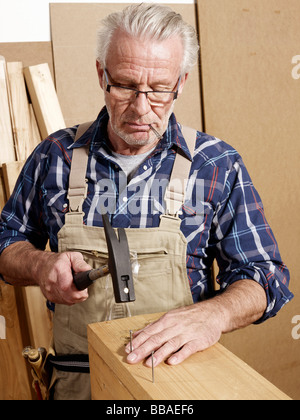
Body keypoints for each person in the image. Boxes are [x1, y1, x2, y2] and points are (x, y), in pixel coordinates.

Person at [0, 4, 293, 400]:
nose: (141, 108)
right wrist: (38, 264)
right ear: (102, 74)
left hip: (180, 382)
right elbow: (5, 241)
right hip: (78, 382)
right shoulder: (56, 155)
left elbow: (266, 276)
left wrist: (214, 314)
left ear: (181, 82)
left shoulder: (216, 164)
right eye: (125, 85)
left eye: (158, 90)